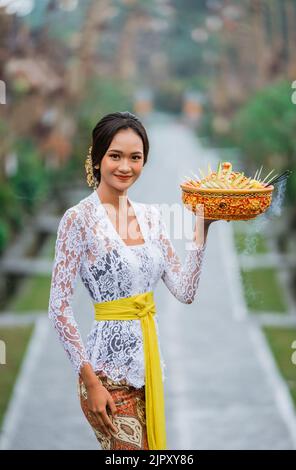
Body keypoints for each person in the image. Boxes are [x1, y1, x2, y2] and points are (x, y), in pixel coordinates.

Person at [48, 111, 217, 450]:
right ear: (97, 159)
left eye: (135, 157)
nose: (125, 166)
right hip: (105, 376)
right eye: (115, 156)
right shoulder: (78, 220)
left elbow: (184, 292)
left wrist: (202, 229)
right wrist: (90, 381)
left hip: (147, 369)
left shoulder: (152, 217)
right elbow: (59, 307)